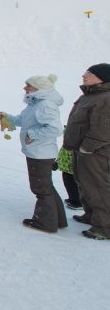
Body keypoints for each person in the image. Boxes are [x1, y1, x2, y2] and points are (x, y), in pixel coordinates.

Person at [0, 74, 66, 233]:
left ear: (38, 88)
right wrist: (7, 117)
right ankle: (58, 219)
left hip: (41, 153)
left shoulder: (45, 105)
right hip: (38, 152)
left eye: (28, 85)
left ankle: (45, 223)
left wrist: (32, 135)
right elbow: (22, 121)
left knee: (41, 188)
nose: (24, 88)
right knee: (46, 186)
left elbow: (55, 129)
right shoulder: (35, 103)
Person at [63, 63, 110, 240]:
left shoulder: (106, 98)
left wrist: (87, 148)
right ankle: (91, 215)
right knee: (84, 185)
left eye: (89, 73)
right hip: (82, 150)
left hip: (95, 153)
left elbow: (103, 130)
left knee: (98, 188)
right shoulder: (91, 95)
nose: (84, 75)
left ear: (102, 77)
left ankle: (105, 227)